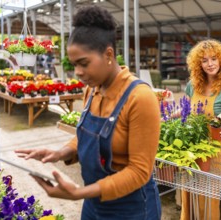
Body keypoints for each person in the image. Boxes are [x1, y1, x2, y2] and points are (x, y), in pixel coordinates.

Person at [15, 6, 161, 220]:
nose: (78, 73)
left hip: (133, 208)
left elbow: (140, 171)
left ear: (109, 54)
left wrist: (79, 193)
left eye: (84, 63)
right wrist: (61, 152)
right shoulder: (92, 90)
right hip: (94, 204)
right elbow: (87, 135)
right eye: (75, 65)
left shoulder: (139, 97)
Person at [181, 39, 221, 220]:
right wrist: (163, 113)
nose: (210, 64)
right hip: (190, 148)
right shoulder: (193, 85)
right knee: (188, 192)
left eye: (214, 59)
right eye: (205, 60)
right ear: (198, 64)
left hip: (213, 151)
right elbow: (184, 110)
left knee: (208, 196)